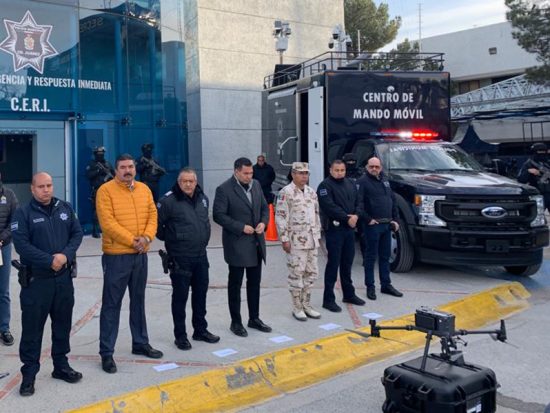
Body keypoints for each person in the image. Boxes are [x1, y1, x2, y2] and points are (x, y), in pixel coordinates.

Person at [11, 172, 83, 396]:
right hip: (37, 283)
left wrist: (65, 256)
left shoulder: (65, 208)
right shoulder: (23, 213)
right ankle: (29, 375)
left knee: (62, 325)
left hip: (63, 280)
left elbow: (77, 234)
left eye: (49, 185)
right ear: (32, 189)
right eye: (41, 186)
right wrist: (49, 260)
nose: (46, 190)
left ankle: (61, 366)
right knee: (32, 330)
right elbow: (22, 245)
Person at [96, 153, 162, 374]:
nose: (127, 170)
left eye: (130, 167)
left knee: (138, 301)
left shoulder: (144, 189)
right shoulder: (105, 191)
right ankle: (107, 352)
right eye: (123, 167)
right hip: (117, 256)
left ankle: (140, 342)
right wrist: (133, 241)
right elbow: (107, 223)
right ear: (116, 170)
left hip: (140, 255)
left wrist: (147, 238)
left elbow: (152, 215)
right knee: (111, 304)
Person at [157, 167, 220, 350]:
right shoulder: (167, 201)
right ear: (179, 182)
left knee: (200, 296)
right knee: (180, 298)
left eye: (191, 181)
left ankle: (200, 330)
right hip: (180, 257)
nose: (188, 184)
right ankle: (180, 336)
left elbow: (206, 223)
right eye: (184, 181)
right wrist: (174, 239)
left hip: (200, 256)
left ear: (196, 182)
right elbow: (157, 228)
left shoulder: (203, 199)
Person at [213, 157, 271, 337]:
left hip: (256, 243)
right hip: (237, 244)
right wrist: (240, 227)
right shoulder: (224, 189)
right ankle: (236, 322)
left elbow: (264, 208)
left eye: (251, 173)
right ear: (236, 171)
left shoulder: (256, 185)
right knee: (235, 285)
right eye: (245, 173)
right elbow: (218, 215)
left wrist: (263, 223)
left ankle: (254, 318)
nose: (249, 176)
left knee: (254, 284)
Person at [275, 162, 322, 321]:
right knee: (296, 274)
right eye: (301, 173)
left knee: (311, 273)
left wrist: (318, 235)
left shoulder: (311, 192)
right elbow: (281, 217)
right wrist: (284, 239)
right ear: (293, 174)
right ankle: (297, 307)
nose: (304, 176)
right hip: (295, 241)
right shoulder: (286, 193)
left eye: (306, 173)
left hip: (312, 240)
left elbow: (316, 215)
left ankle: (306, 305)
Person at [317, 160, 365, 313]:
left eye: (342, 170)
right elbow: (329, 207)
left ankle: (349, 294)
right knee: (333, 264)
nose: (339, 173)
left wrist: (356, 216)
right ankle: (328, 299)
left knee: (347, 263)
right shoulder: (324, 186)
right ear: (330, 170)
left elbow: (359, 202)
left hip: (349, 229)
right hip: (335, 230)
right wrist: (347, 218)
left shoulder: (351, 183)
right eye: (336, 170)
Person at [357, 157, 403, 301]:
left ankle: (386, 285)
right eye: (371, 166)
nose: (374, 169)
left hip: (387, 225)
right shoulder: (362, 182)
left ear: (381, 168)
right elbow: (358, 204)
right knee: (370, 258)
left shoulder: (385, 181)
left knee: (385, 257)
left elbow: (393, 201)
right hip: (373, 226)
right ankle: (370, 287)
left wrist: (396, 220)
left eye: (377, 167)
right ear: (367, 167)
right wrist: (368, 219)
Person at [0, 173, 18, 346]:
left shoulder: (9, 195)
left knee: (3, 290)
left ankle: (4, 328)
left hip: (3, 247)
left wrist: (1, 239)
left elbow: (15, 222)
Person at [85, 146, 114, 238]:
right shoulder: (92, 164)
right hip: (97, 189)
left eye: (102, 154)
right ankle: (95, 230)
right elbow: (88, 175)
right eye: (99, 154)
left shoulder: (108, 164)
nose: (100, 156)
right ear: (95, 154)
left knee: (109, 210)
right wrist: (98, 171)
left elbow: (114, 175)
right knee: (97, 210)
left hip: (108, 190)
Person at [518, 143, 550, 211]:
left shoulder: (548, 162)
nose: (541, 154)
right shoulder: (529, 164)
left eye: (543, 152)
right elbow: (521, 179)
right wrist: (528, 171)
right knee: (537, 213)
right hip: (537, 193)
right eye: (539, 152)